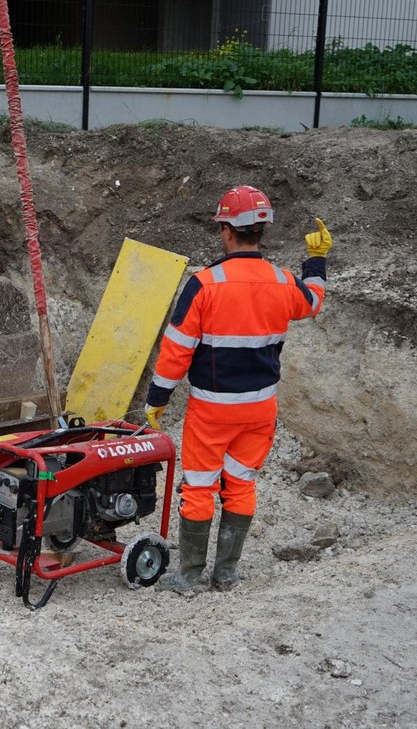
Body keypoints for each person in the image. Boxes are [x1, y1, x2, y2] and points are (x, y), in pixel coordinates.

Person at [143, 185, 331, 592]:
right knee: (241, 483)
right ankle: (226, 573)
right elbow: (313, 301)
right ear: (260, 232)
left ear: (226, 231)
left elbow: (176, 351)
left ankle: (190, 575)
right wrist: (316, 260)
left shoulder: (205, 284)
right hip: (260, 409)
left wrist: (157, 399)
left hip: (212, 410)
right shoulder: (284, 282)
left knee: (199, 486)